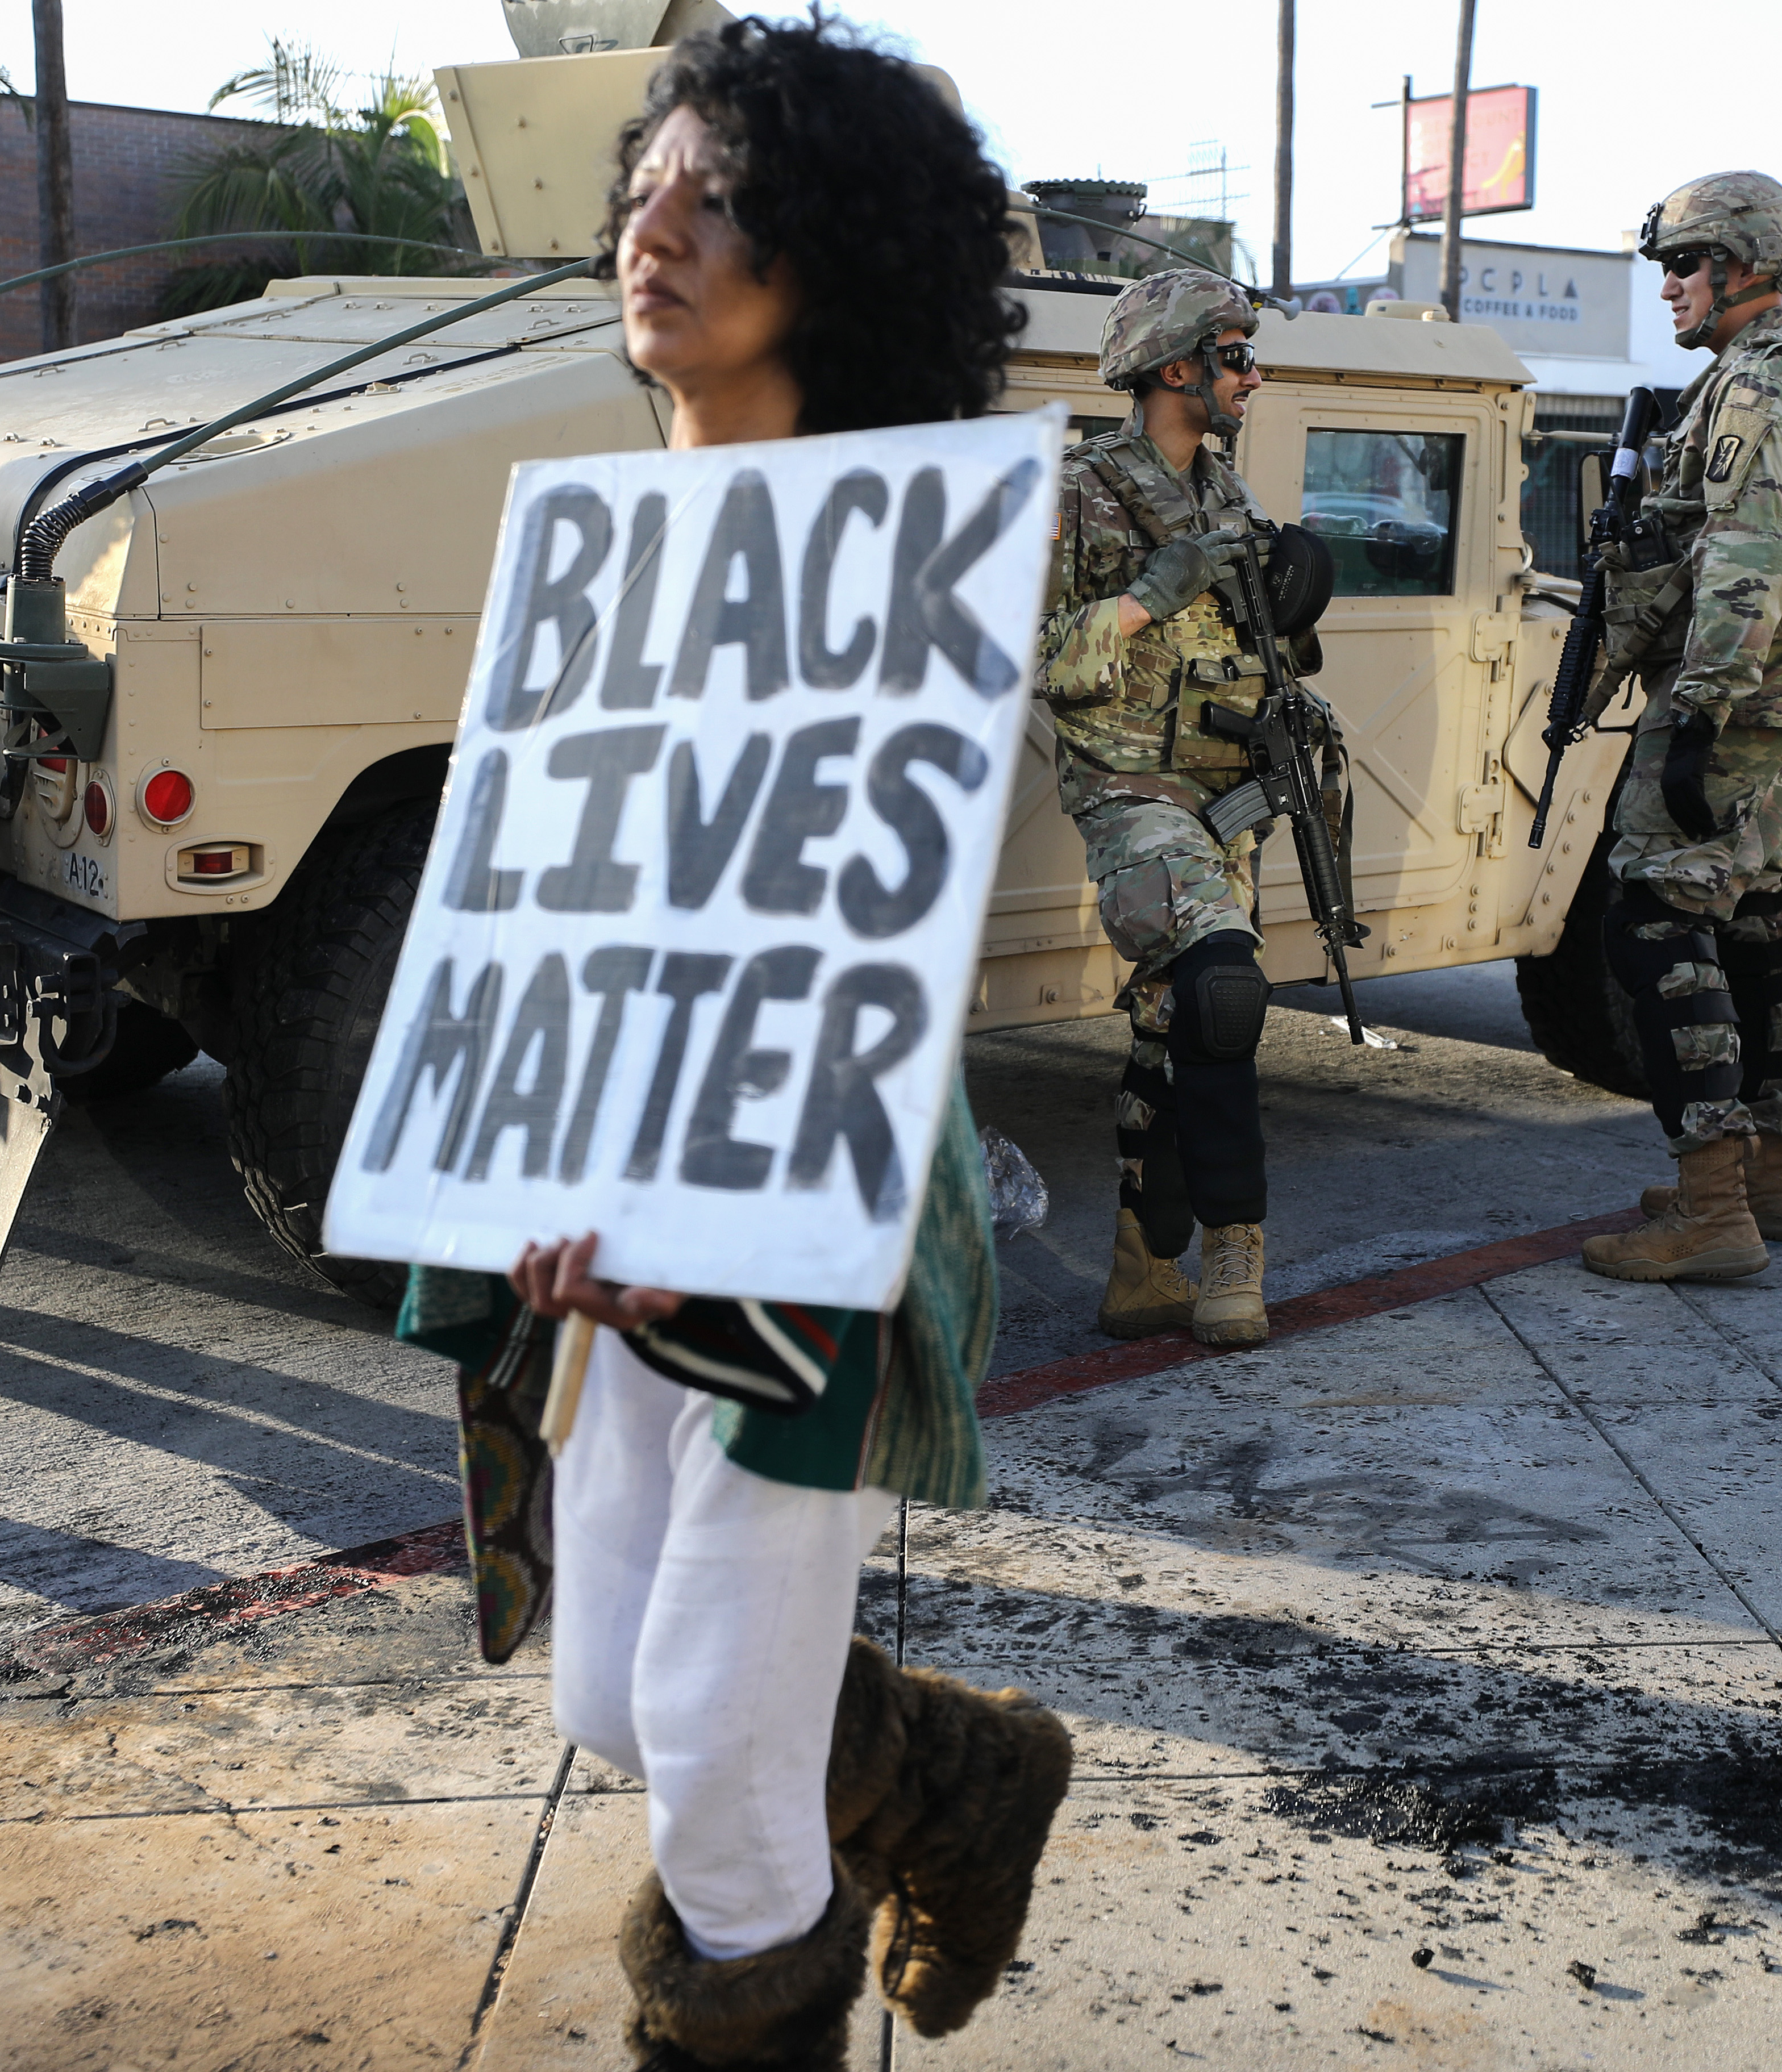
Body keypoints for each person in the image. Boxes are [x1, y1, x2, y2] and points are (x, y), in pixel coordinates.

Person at [397, 22, 1071, 2067]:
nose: (654, 229)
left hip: (810, 1191)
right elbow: (549, 911)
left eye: (725, 197)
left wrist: (722, 1192)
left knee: (706, 1743)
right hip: (613, 1182)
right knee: (604, 1689)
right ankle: (951, 1773)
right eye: (647, 186)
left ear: (841, 257)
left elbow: (881, 922)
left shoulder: (900, 552)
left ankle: (741, 2021)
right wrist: (520, 1169)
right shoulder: (603, 548)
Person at [1581, 171, 1782, 1282]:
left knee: (1651, 916)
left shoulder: (1760, 386)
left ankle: (1710, 1205)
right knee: (1759, 916)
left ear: (1741, 267)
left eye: (1682, 263)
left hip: (1743, 698)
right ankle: (1769, 1175)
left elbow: (1750, 552)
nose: (1666, 286)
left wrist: (1703, 710)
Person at [1036, 267, 1310, 1347]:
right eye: (1236, 355)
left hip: (1222, 787)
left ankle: (1142, 1271)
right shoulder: (1076, 491)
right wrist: (1160, 589)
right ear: (1174, 368)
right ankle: (1233, 1258)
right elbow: (1037, 655)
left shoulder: (1227, 489)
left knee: (1169, 1026)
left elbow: (1251, 644)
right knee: (1221, 994)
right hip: (1128, 784)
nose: (1253, 374)